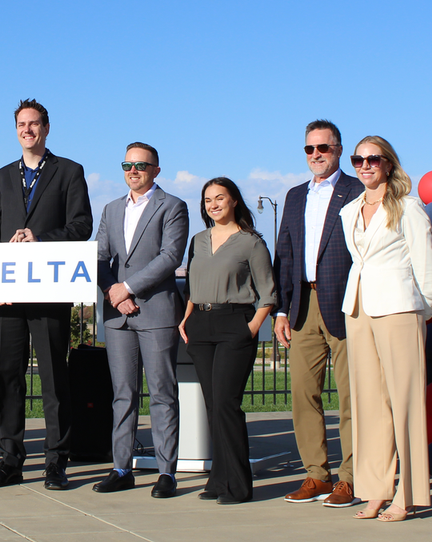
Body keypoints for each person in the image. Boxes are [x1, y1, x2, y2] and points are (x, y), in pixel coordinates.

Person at [0, 99, 93, 491]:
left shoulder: (69, 171)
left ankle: (56, 462)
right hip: (9, 295)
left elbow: (82, 226)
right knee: (8, 377)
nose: (27, 130)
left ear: (46, 128)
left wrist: (40, 238)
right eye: (21, 125)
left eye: (33, 124)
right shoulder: (2, 177)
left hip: (50, 291)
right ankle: (10, 460)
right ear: (16, 131)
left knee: (53, 379)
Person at [340, 136, 432, 522]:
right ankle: (374, 490)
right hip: (358, 308)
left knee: (405, 401)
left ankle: (408, 494)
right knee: (368, 403)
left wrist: (423, 307)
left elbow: (425, 262)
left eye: (373, 159)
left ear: (388, 164)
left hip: (399, 307)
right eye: (358, 159)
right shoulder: (349, 210)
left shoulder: (408, 207)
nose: (365, 165)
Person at [272, 120, 365, 507]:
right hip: (302, 307)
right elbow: (285, 254)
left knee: (352, 397)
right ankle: (316, 475)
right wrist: (281, 310)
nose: (316, 155)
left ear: (338, 150)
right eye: (309, 149)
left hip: (346, 306)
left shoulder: (357, 191)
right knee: (303, 395)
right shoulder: (295, 196)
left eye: (323, 148)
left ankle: (351, 478)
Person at [93, 142, 188, 498]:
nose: (133, 171)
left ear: (156, 170)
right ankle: (122, 468)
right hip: (117, 315)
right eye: (127, 165)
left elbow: (170, 256)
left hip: (156, 312)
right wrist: (113, 292)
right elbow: (99, 256)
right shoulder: (111, 208)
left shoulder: (172, 206)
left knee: (162, 394)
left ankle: (166, 472)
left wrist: (128, 288)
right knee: (123, 395)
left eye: (141, 165)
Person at [179, 177, 276, 505]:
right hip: (200, 325)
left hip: (235, 324)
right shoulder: (198, 240)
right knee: (213, 405)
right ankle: (219, 479)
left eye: (220, 198)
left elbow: (267, 292)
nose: (214, 204)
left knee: (225, 404)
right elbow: (192, 286)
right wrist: (186, 317)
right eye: (208, 200)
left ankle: (238, 485)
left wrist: (252, 328)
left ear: (234, 200)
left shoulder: (251, 242)